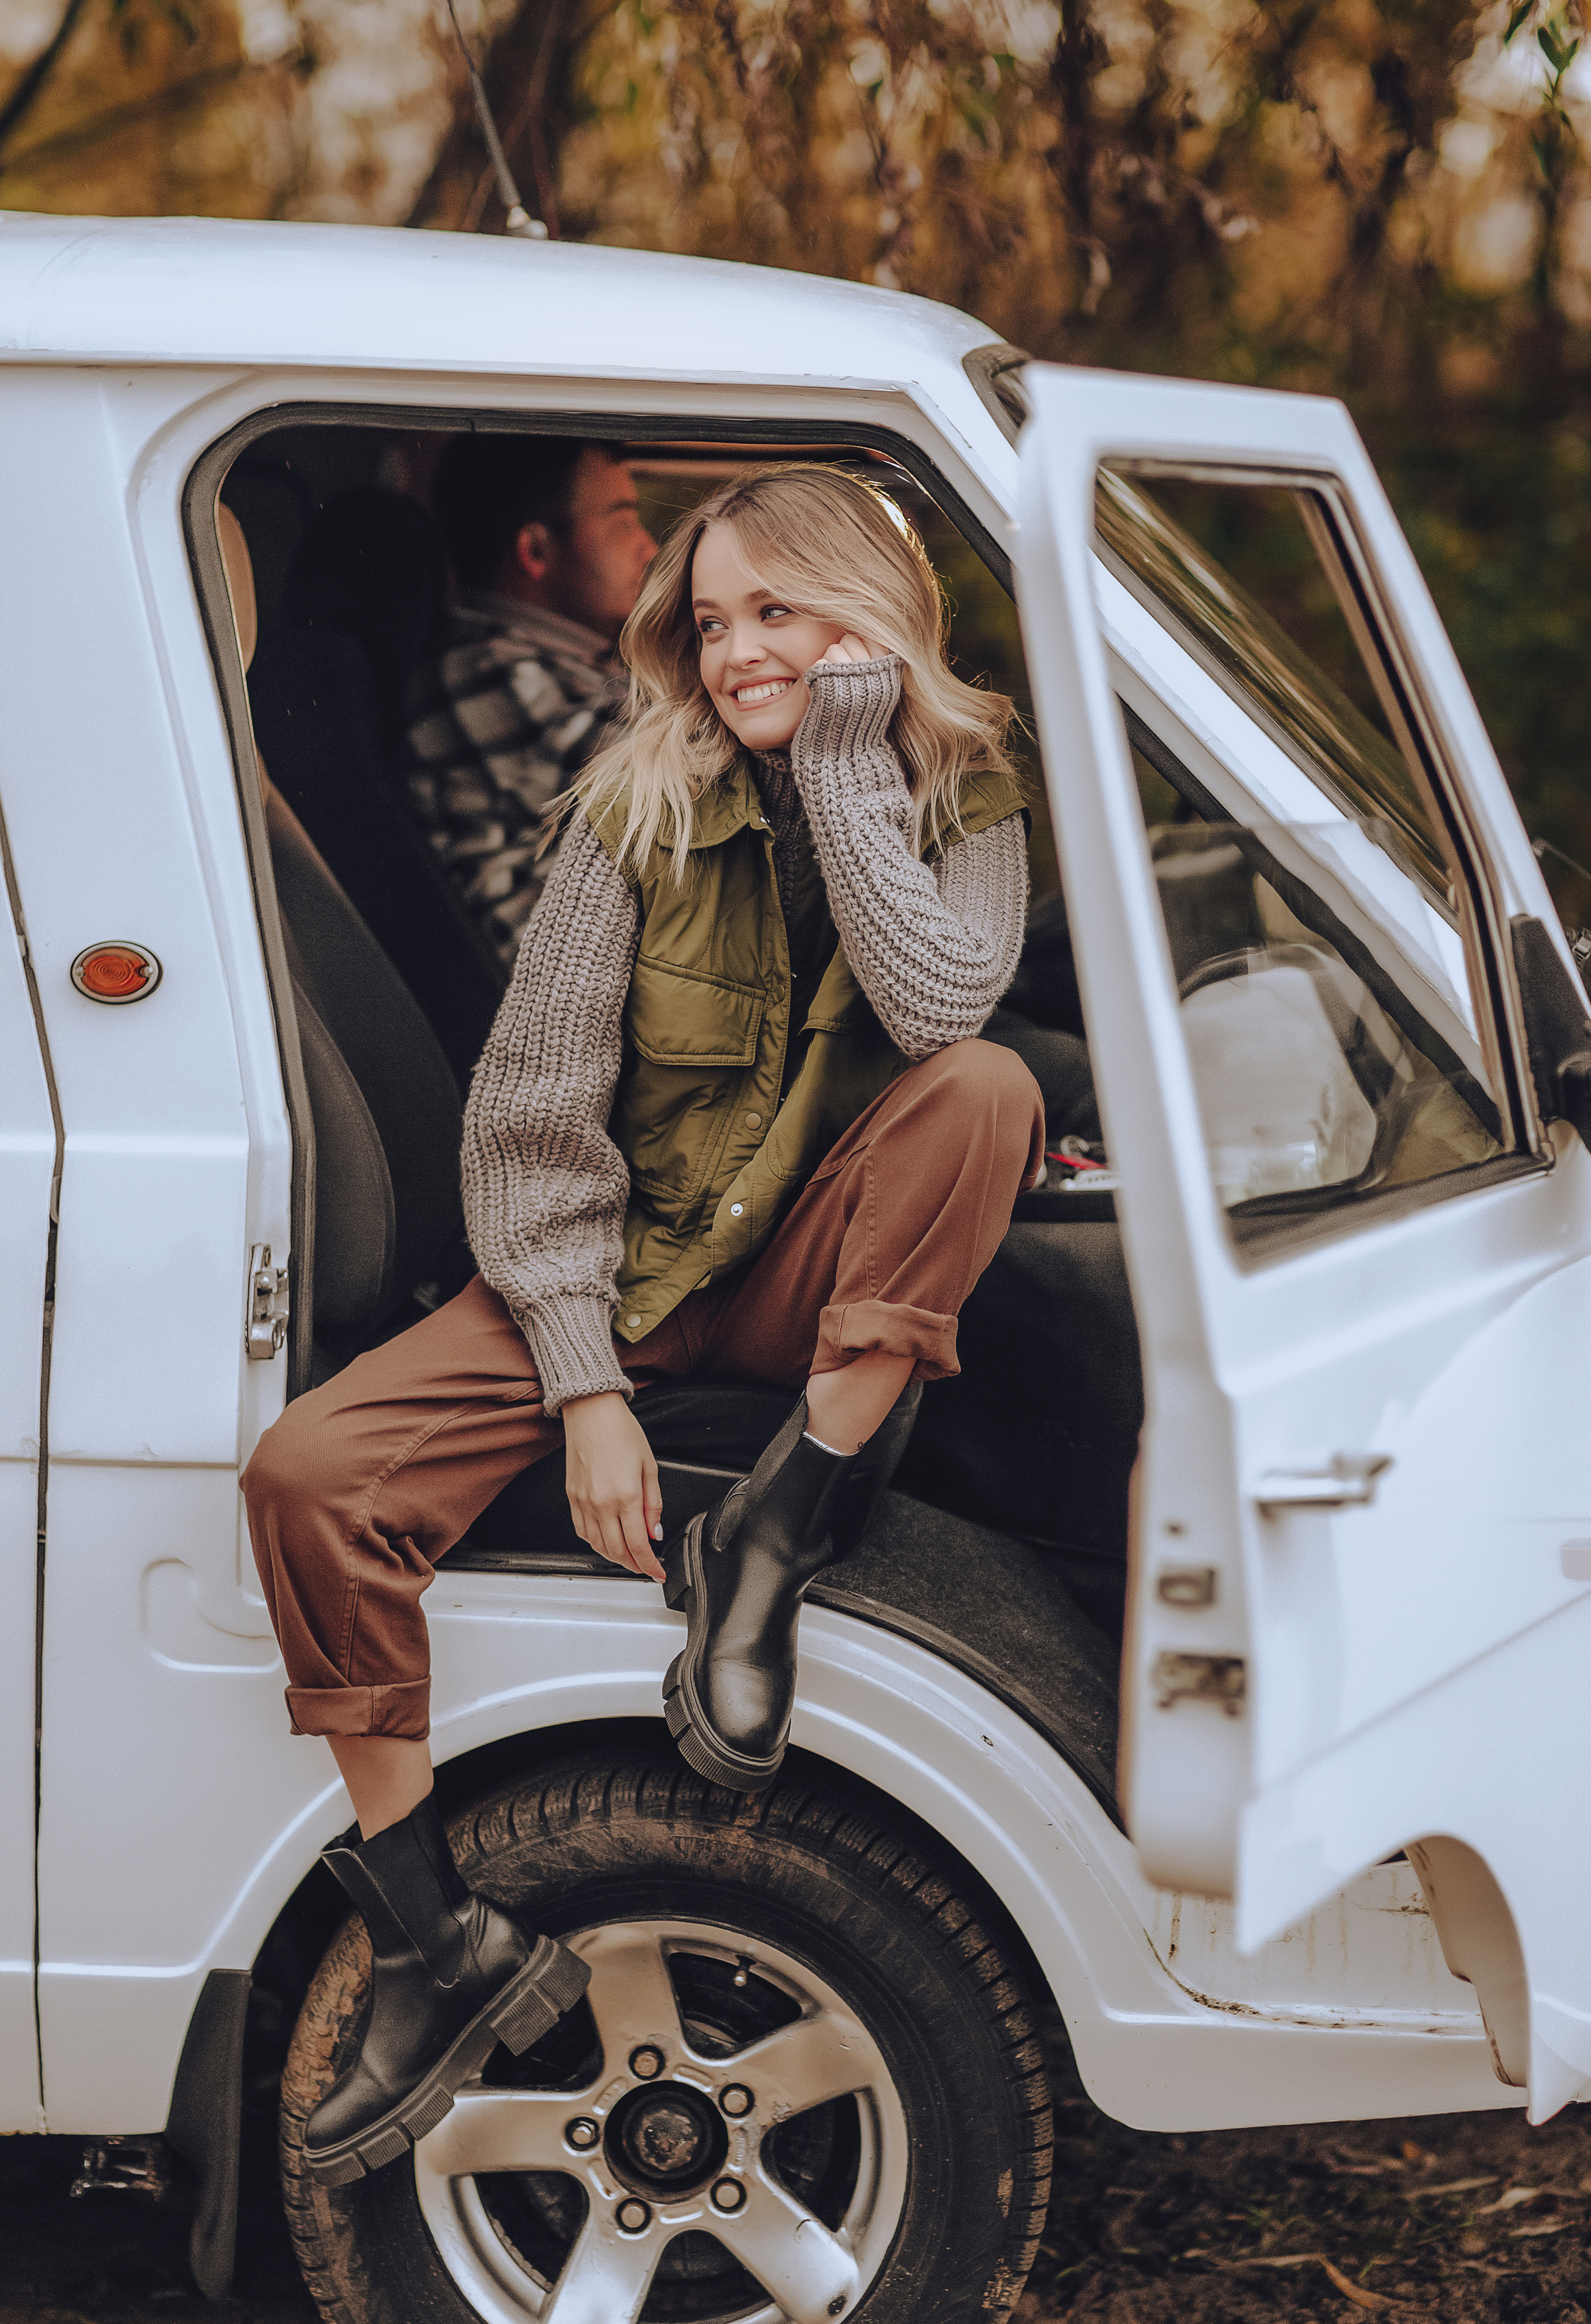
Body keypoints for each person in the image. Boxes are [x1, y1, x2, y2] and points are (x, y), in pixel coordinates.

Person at [242, 465, 1045, 2187]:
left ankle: (777, 1526)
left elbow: (935, 1007)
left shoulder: (969, 798)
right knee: (312, 1476)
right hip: (607, 1267)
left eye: (778, 610)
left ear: (867, 619)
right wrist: (583, 1381)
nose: (738, 649)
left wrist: (839, 762)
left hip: (800, 1286)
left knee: (988, 1091)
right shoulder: (635, 804)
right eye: (712, 619)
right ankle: (429, 1936)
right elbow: (530, 1109)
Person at [403, 433, 657, 965]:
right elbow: (682, 769)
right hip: (566, 991)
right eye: (623, 522)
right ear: (536, 551)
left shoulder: (566, 661)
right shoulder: (487, 668)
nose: (648, 546)